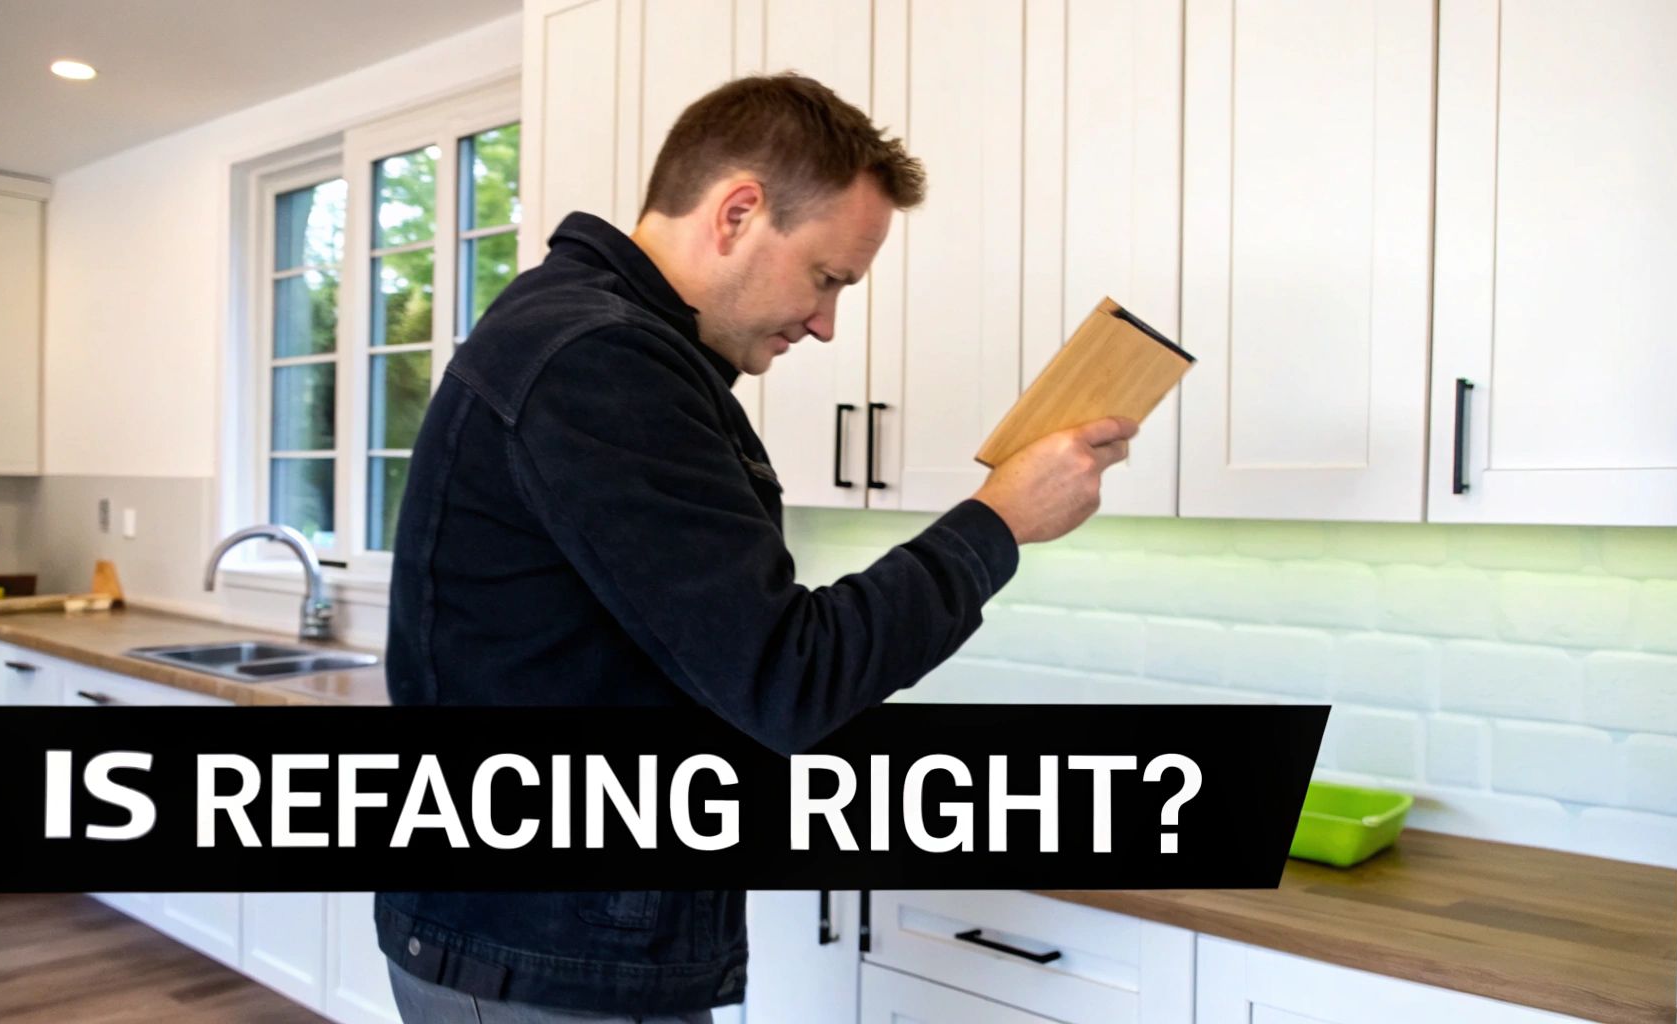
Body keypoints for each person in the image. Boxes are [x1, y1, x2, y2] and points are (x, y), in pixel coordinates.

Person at [377, 73, 1137, 1022]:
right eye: (827, 278)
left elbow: (717, 656)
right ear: (738, 211)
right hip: (546, 954)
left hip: (538, 936)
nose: (824, 322)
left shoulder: (588, 335)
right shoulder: (601, 363)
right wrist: (999, 520)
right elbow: (788, 678)